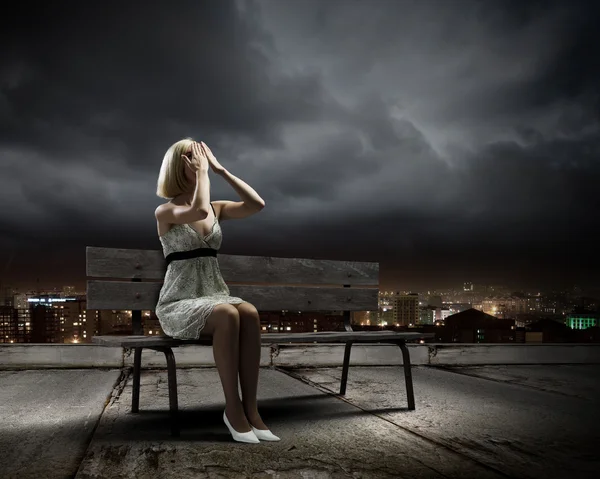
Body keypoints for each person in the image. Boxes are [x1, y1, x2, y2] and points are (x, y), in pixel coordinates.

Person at [154, 138, 278, 443]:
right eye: (191, 157)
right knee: (226, 313)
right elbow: (196, 211)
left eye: (201, 157)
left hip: (214, 295)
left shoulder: (216, 207)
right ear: (177, 166)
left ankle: (252, 409)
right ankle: (232, 410)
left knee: (247, 311)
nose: (199, 161)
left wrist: (221, 170)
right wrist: (204, 176)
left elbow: (256, 205)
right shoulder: (165, 212)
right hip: (179, 302)